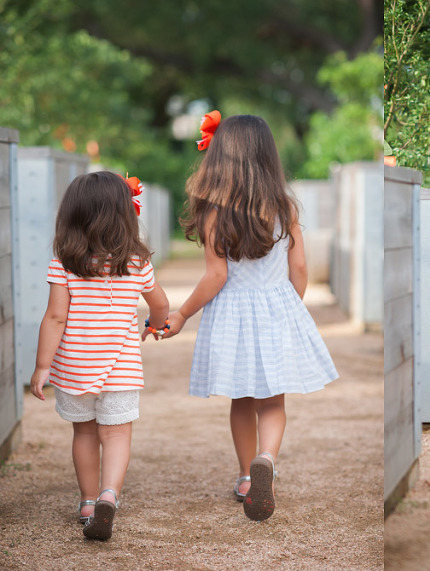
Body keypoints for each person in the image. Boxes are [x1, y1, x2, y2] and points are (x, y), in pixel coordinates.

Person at [163, 111, 338, 522]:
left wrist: (184, 313)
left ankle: (246, 477)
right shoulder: (284, 207)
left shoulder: (213, 213)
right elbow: (299, 270)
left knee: (241, 398)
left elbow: (216, 276)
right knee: (272, 400)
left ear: (220, 156)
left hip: (232, 315)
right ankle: (267, 460)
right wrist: (291, 305)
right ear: (267, 156)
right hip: (276, 308)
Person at [30, 171, 170, 541]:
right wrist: (155, 326)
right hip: (120, 367)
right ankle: (110, 495)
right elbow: (160, 305)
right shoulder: (137, 263)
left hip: (75, 366)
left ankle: (89, 502)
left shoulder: (65, 261)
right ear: (126, 215)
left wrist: (43, 365)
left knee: (85, 433)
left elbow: (56, 316)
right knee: (118, 435)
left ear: (72, 216)